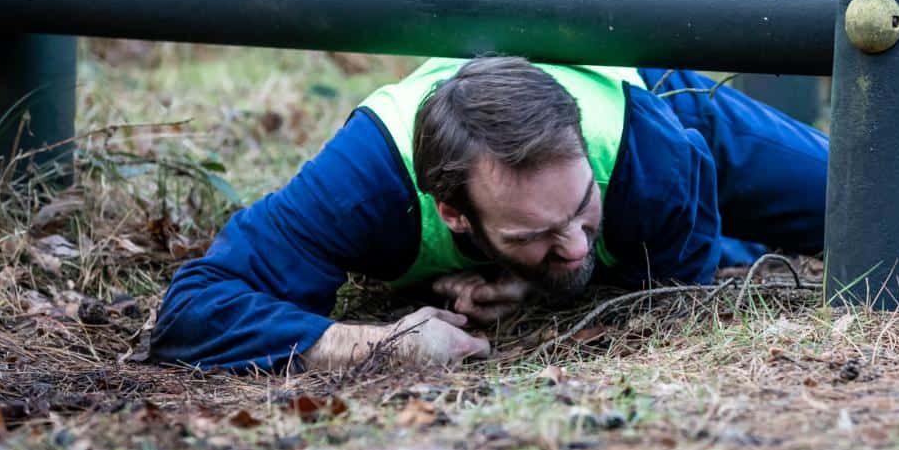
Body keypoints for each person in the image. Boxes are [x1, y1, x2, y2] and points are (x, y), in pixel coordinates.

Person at [149, 58, 828, 371]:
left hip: (656, 101)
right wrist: (375, 344)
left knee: (870, 200)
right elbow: (191, 311)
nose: (570, 241)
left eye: (581, 210)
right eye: (533, 232)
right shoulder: (362, 185)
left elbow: (678, 290)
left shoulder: (653, 156)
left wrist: (546, 280)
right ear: (455, 215)